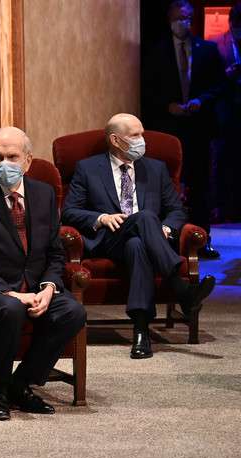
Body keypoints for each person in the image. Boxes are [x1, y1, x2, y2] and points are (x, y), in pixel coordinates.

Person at [0, 126, 86, 421]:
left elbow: (54, 252)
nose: (4, 164)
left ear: (28, 161)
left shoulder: (44, 194)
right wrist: (9, 292)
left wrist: (49, 288)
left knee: (72, 311)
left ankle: (20, 384)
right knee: (11, 308)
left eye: (12, 157)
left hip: (36, 286)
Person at [61, 113, 216, 359]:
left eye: (142, 133)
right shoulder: (88, 168)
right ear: (115, 140)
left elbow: (176, 209)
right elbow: (69, 211)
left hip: (146, 241)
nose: (143, 140)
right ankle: (179, 286)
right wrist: (101, 218)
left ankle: (141, 331)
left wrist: (164, 228)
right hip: (108, 239)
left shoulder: (155, 169)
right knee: (144, 218)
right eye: (135, 135)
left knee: (137, 244)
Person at [142, 0, 225, 258]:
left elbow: (221, 85)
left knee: (201, 185)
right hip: (168, 129)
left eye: (188, 18)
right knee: (167, 186)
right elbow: (147, 90)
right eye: (179, 18)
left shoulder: (208, 50)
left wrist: (201, 101)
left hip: (199, 128)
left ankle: (203, 239)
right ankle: (170, 240)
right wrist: (168, 107)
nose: (184, 23)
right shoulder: (156, 51)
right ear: (170, 20)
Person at [209, 3, 241, 222]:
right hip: (223, 113)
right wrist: (227, 74)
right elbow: (207, 81)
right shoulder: (215, 44)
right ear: (231, 23)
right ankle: (221, 208)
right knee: (221, 161)